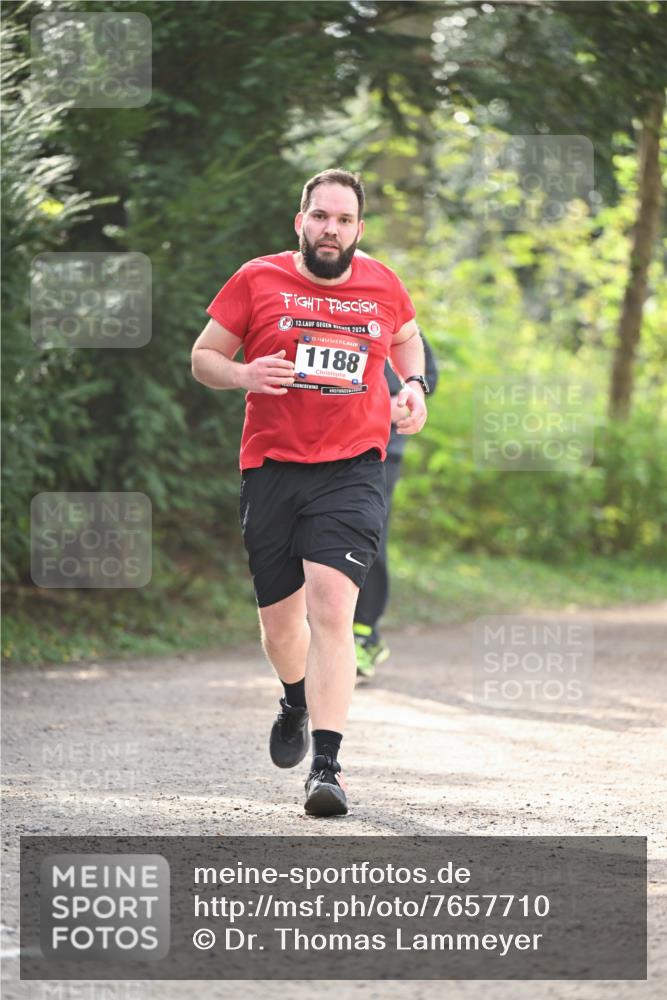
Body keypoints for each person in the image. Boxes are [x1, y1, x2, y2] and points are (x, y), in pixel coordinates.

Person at [191, 168, 428, 817]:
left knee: (330, 606)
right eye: (321, 217)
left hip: (353, 468)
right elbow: (202, 356)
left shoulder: (381, 283)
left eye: (344, 219)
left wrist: (414, 390)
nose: (331, 229)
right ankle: (293, 696)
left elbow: (408, 342)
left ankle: (326, 767)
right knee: (279, 626)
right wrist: (241, 371)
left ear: (358, 228)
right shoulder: (256, 279)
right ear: (300, 222)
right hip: (271, 467)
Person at [354, 332, 439, 678]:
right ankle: (321, 636)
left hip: (381, 453)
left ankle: (363, 636)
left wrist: (397, 404)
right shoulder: (321, 318)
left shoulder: (399, 327)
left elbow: (422, 382)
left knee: (368, 538)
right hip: (324, 448)